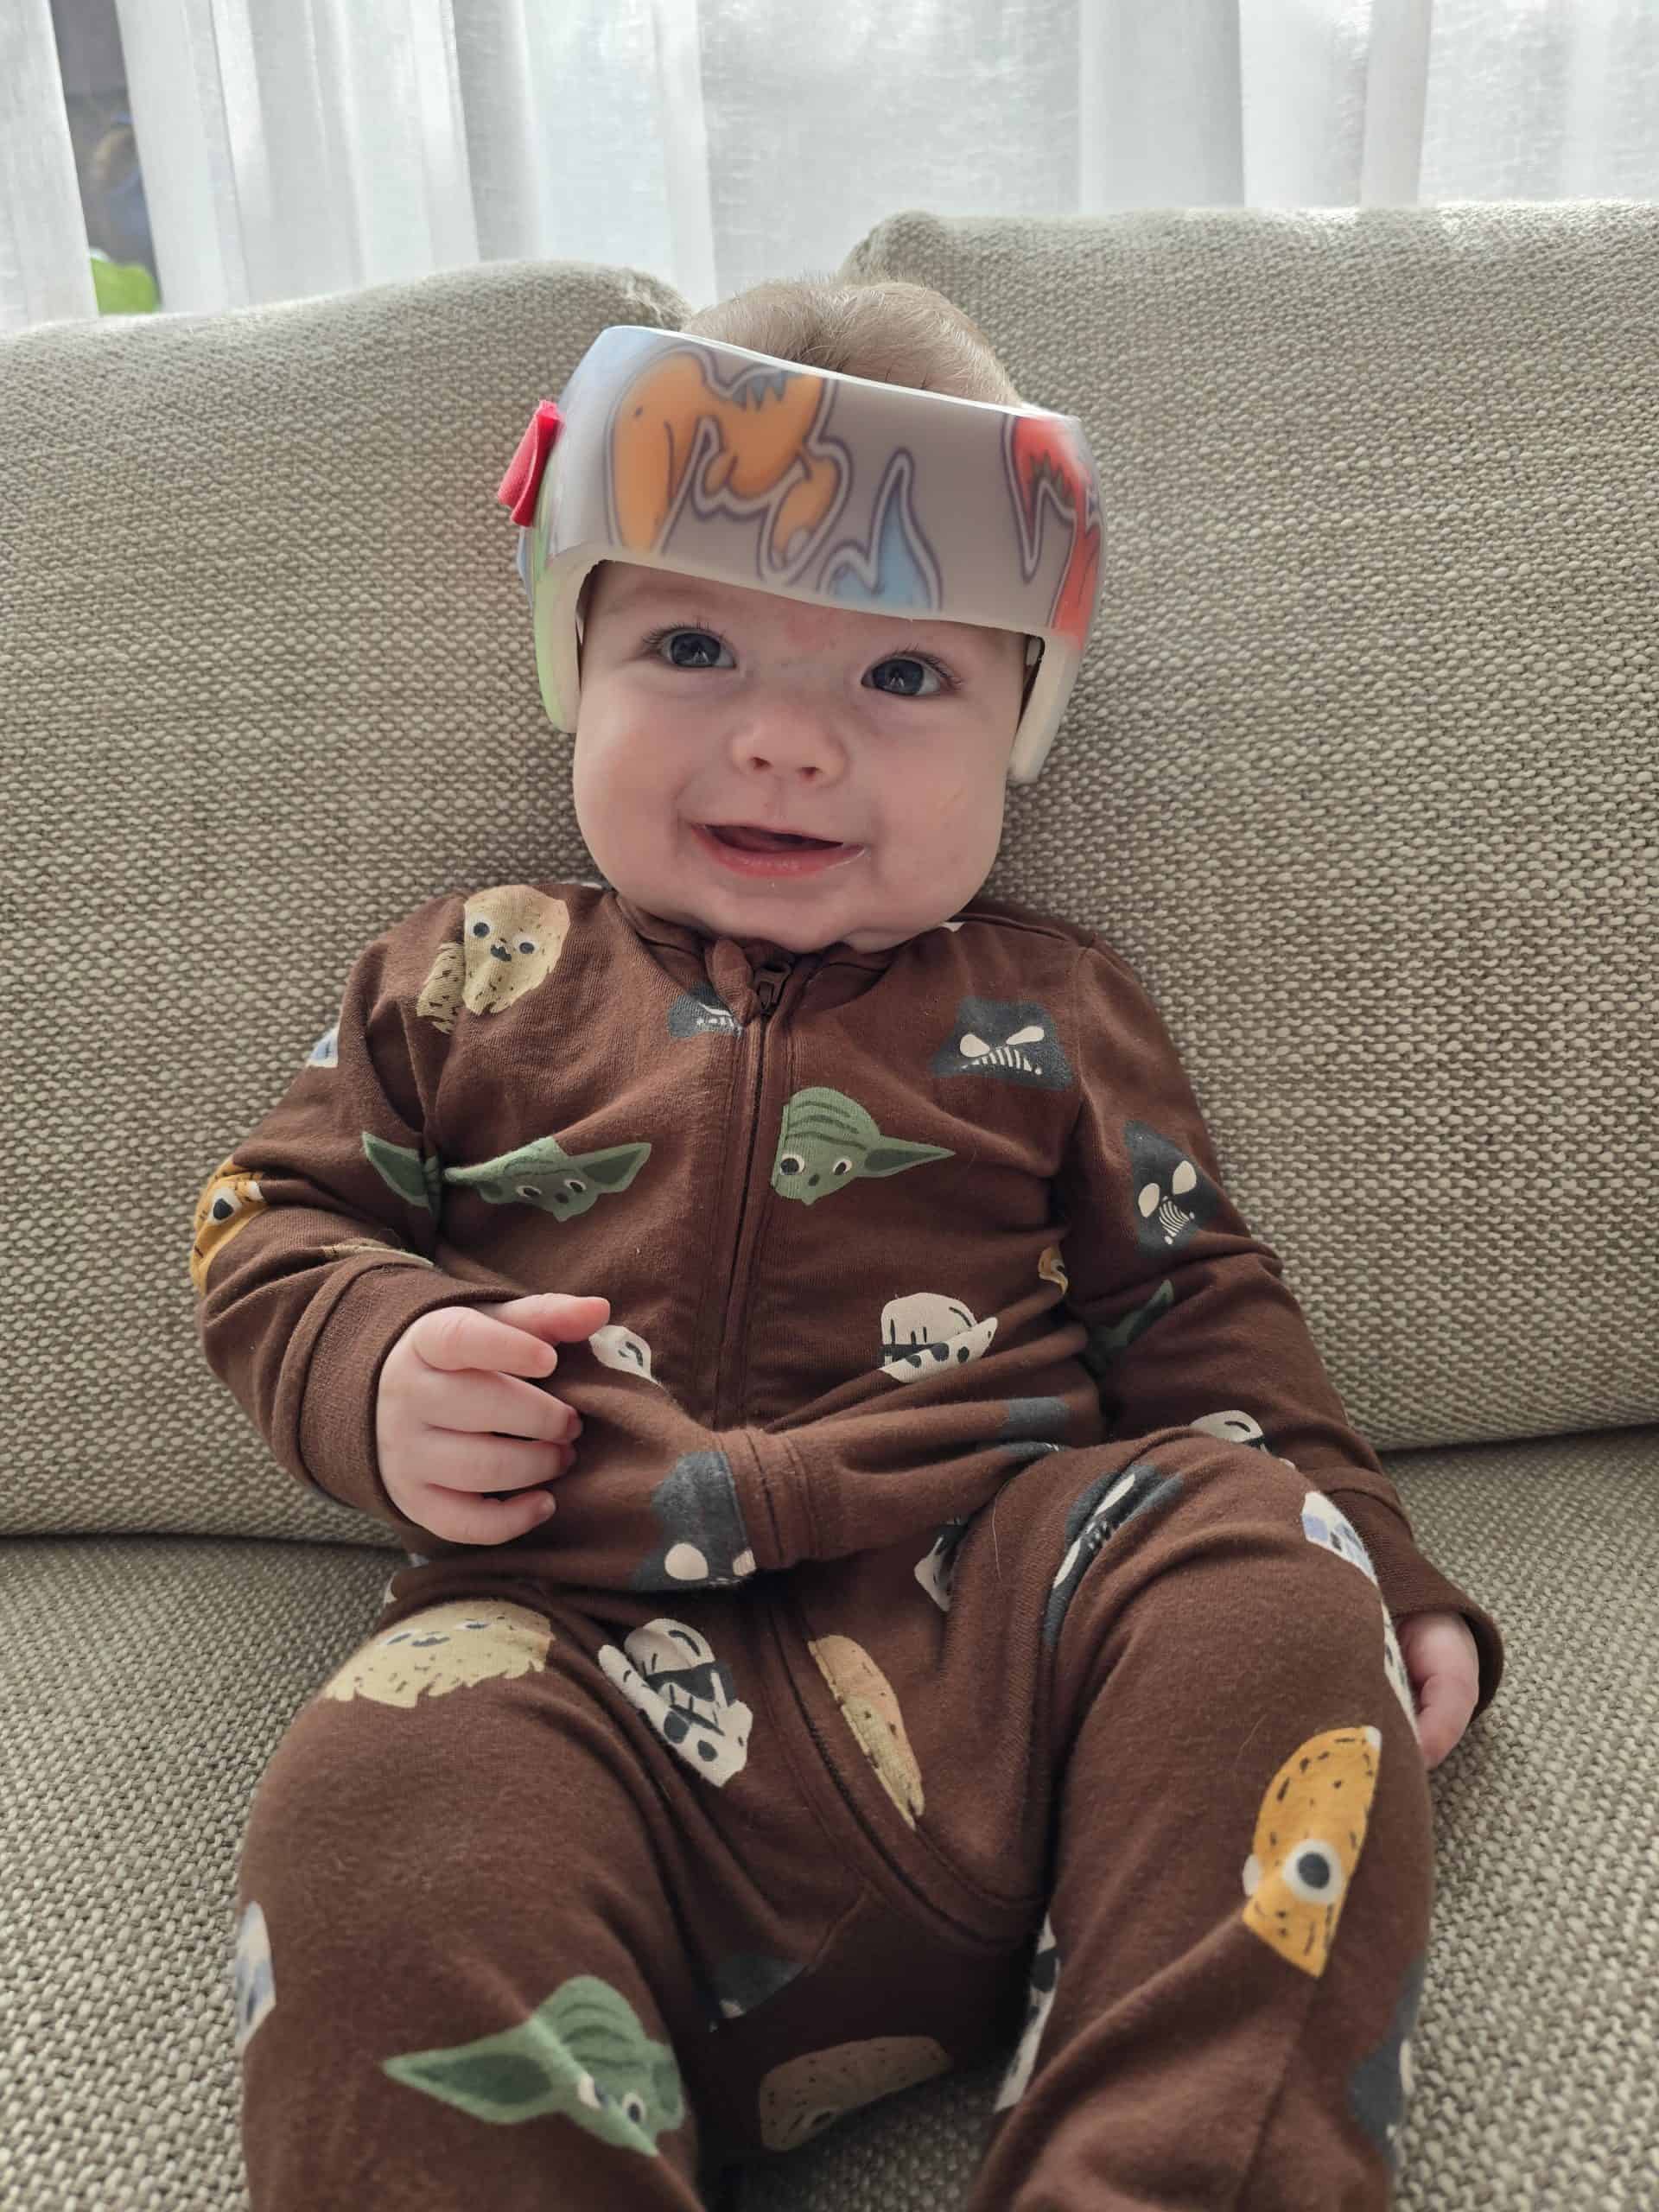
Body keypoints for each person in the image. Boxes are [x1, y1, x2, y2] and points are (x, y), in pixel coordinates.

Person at [195, 273, 1505, 2211]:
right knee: (375, 1796)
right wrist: (375, 1359)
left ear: (1019, 724)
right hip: (582, 1680)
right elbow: (267, 1219)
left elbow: (1197, 1301)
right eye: (698, 644)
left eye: (901, 679)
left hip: (1014, 1645)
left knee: (1258, 1574)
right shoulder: (467, 975)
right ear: (575, 655)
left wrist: (1361, 1549)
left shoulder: (1055, 1005)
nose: (789, 742)